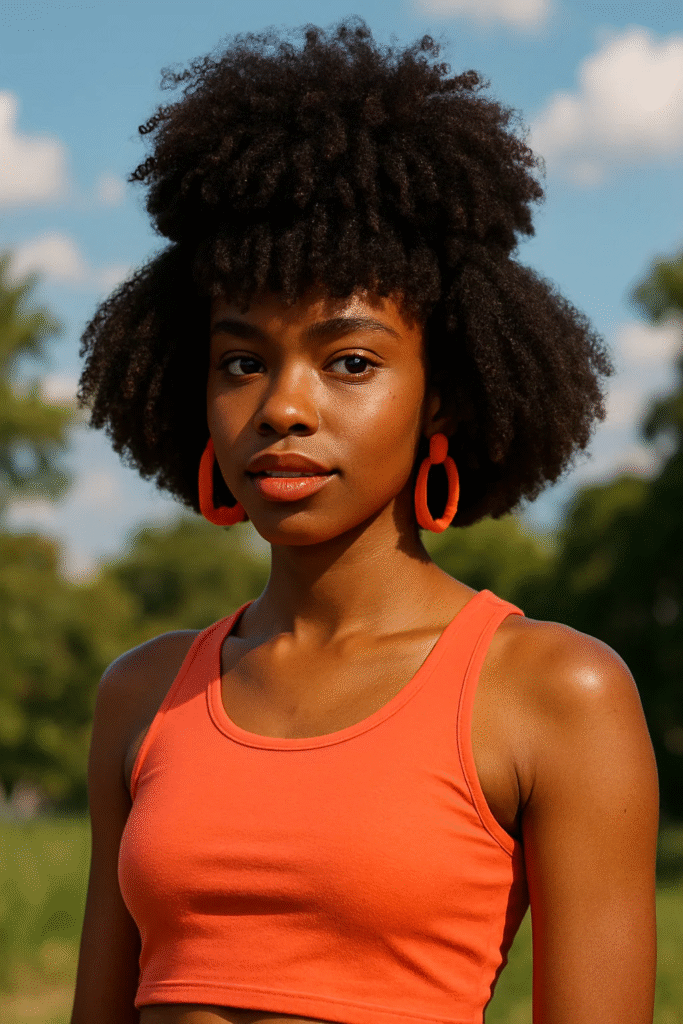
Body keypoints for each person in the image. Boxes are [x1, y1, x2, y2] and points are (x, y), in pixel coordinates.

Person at [70, 18, 659, 1024]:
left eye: (349, 361)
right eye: (241, 360)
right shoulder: (142, 694)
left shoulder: (556, 695)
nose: (282, 407)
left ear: (442, 396)